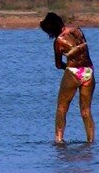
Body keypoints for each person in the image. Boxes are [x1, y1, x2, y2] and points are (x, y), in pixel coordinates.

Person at [39, 12, 95, 144]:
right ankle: (90, 141)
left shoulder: (58, 41)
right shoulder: (78, 32)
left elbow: (58, 65)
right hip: (89, 71)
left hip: (74, 72)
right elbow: (76, 31)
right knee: (86, 111)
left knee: (62, 108)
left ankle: (59, 139)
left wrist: (68, 69)